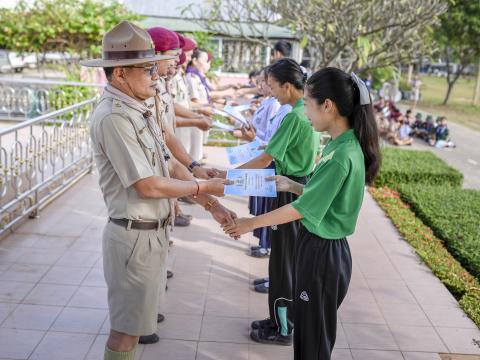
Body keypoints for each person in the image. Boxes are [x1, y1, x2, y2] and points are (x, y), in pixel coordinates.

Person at [80, 21, 236, 360]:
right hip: (132, 238)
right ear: (120, 73)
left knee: (136, 331)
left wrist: (211, 204)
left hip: (150, 234)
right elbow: (147, 185)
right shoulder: (114, 117)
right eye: (148, 68)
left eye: (156, 66)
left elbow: (167, 163)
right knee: (124, 334)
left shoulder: (138, 108)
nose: (157, 75)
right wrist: (203, 185)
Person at [223, 67, 381, 360]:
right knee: (310, 335)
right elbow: (322, 198)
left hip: (323, 254)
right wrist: (292, 184)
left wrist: (249, 224)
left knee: (313, 342)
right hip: (323, 249)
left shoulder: (341, 155)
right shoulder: (341, 145)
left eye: (308, 103)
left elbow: (301, 210)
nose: (304, 111)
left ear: (328, 106)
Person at [219, 58, 319, 345]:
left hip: (288, 187)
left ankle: (283, 328)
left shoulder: (294, 116)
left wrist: (228, 177)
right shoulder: (303, 112)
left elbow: (266, 158)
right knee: (284, 258)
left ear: (288, 86)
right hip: (293, 183)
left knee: (283, 262)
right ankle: (277, 318)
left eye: (273, 86)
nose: (270, 91)